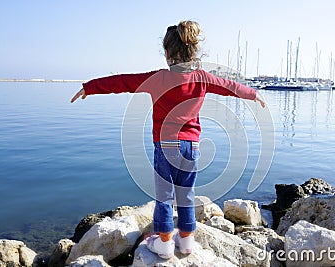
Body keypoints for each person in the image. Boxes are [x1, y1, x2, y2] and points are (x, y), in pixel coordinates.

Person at [71, 20, 265, 259]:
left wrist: (89, 87)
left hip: (165, 146)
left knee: (164, 197)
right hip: (191, 147)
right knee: (187, 194)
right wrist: (254, 95)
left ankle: (163, 242)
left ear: (166, 53)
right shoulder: (203, 78)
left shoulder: (158, 78)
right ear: (193, 51)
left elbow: (122, 82)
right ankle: (186, 241)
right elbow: (230, 86)